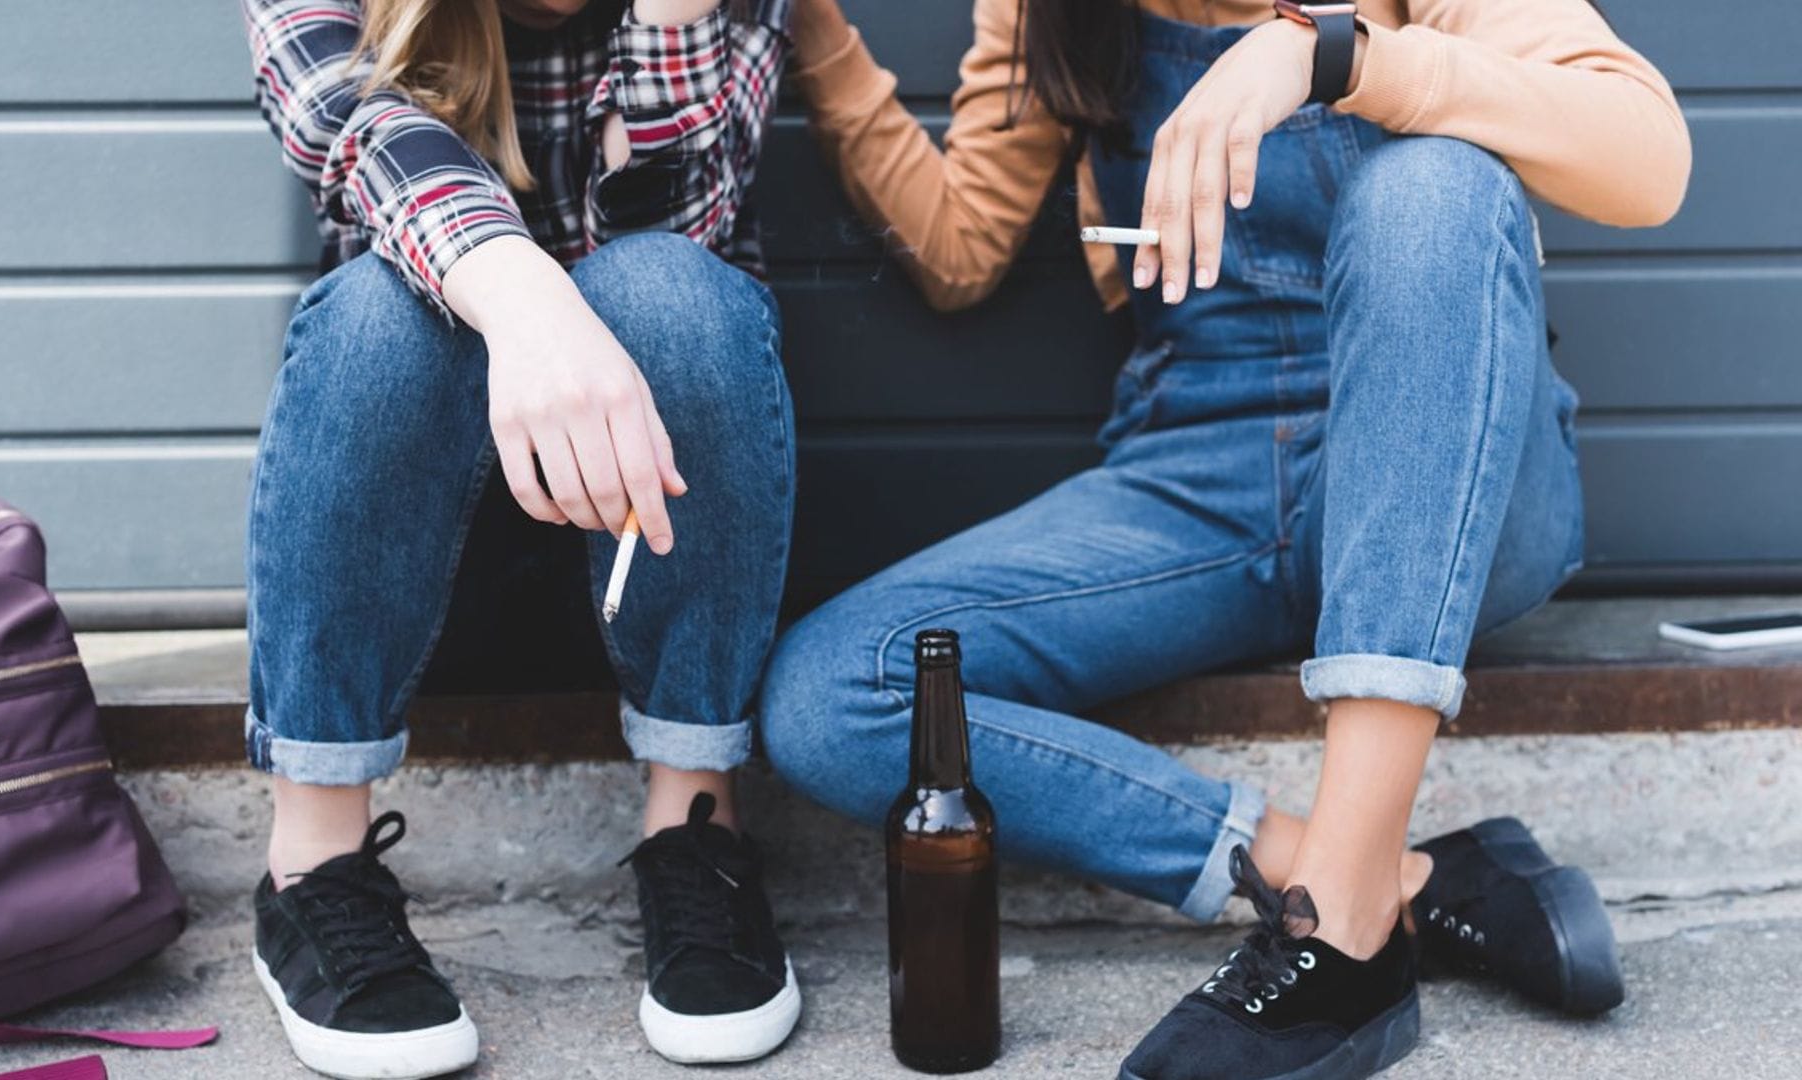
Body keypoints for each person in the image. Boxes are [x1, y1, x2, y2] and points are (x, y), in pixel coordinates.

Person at [760, 0, 1690, 1076]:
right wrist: (811, 29)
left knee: (1435, 184)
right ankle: (1379, 879)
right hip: (1201, 466)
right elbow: (960, 246)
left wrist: (1330, 54)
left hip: (1453, 468)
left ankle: (1336, 937)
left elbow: (1648, 155)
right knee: (835, 691)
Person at [238, 0, 799, 1074]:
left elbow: (689, 216)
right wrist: (525, 294)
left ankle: (695, 824)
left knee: (673, 290)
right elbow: (347, 127)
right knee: (378, 313)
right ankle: (312, 862)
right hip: (410, 558)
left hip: (655, 535)